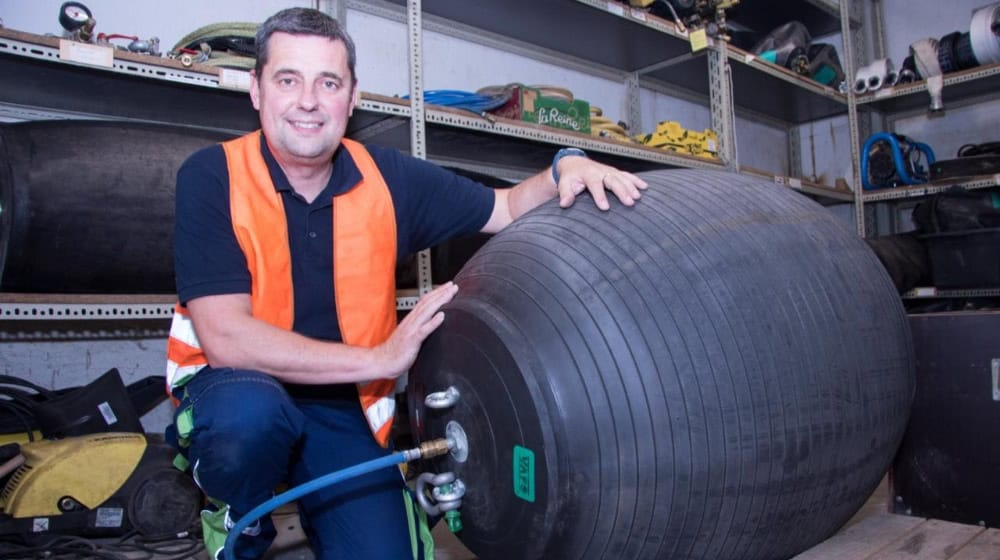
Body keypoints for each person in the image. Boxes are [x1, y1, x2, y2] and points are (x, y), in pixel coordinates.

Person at [165, 7, 647, 559]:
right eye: (288, 80)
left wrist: (567, 165)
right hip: (237, 392)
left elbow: (507, 207)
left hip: (341, 405)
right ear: (257, 90)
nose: (308, 101)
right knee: (248, 423)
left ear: (352, 98)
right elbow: (227, 340)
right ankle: (238, 516)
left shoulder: (388, 179)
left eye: (328, 83)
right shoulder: (212, 176)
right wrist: (381, 359)